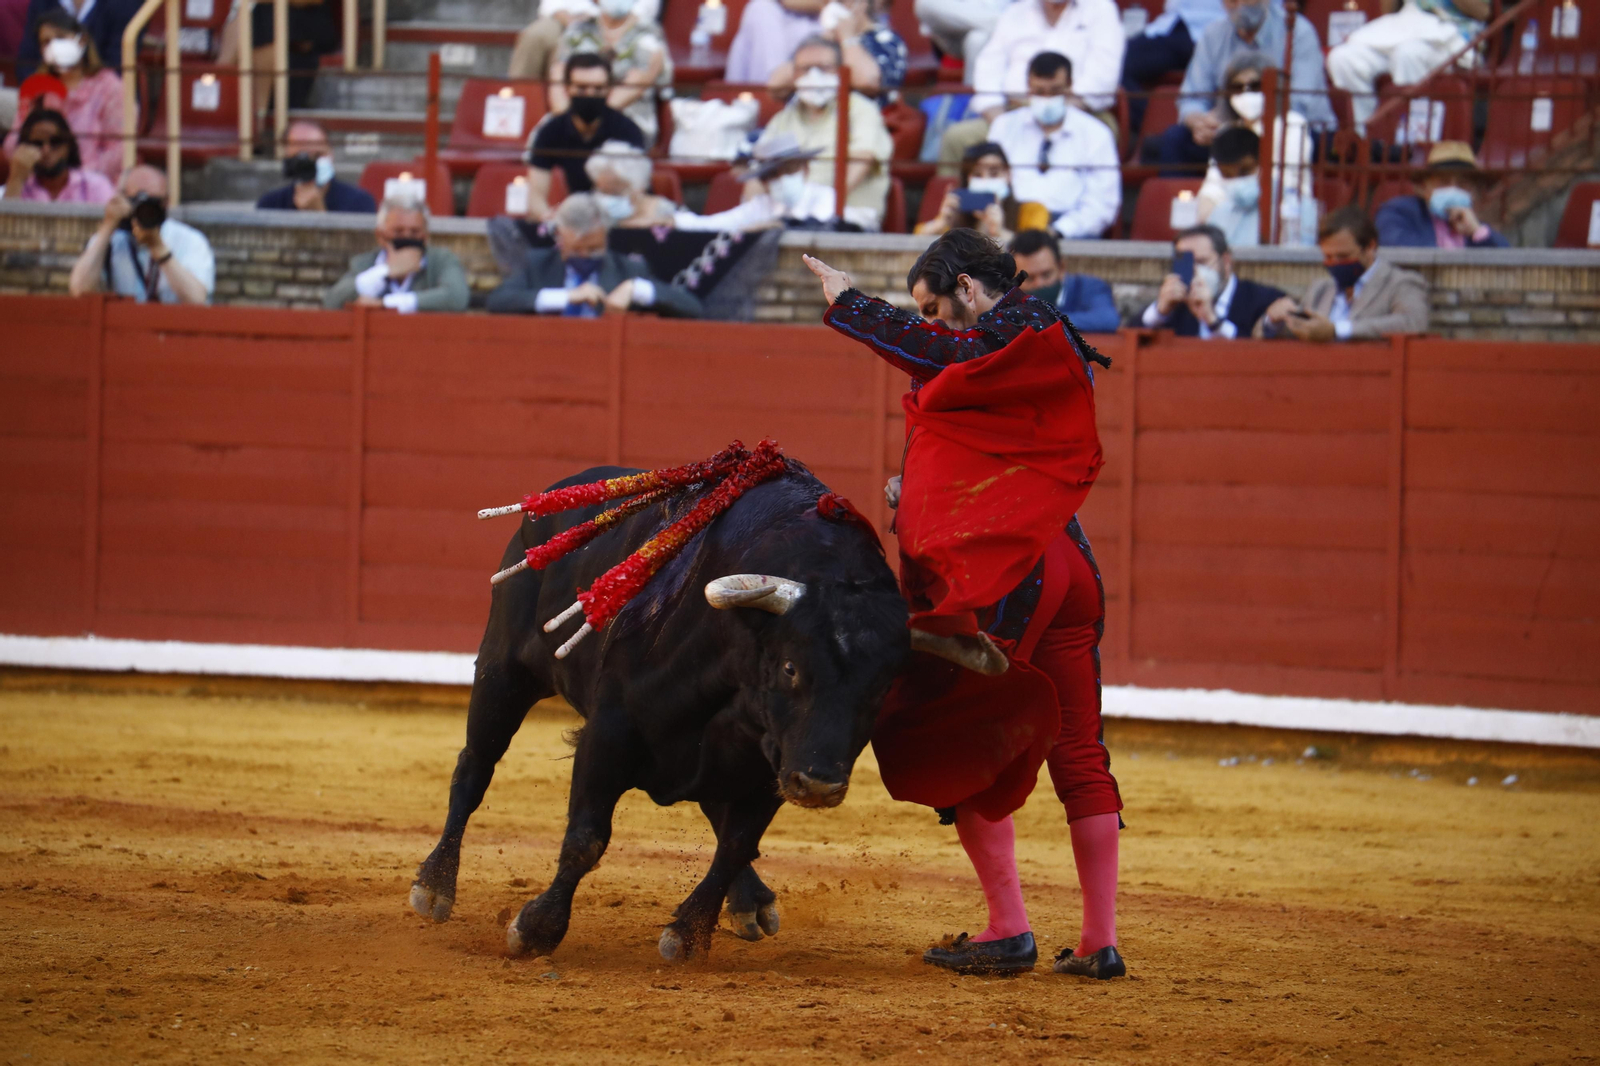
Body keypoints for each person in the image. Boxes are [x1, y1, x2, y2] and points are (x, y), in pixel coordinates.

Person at [802, 230, 1125, 980]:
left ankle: (1007, 927)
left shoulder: (1018, 326)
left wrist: (853, 305)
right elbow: (990, 454)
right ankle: (1099, 941)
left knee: (964, 730)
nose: (938, 325)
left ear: (970, 289)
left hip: (1016, 569)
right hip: (1069, 563)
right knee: (1079, 749)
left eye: (936, 308)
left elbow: (946, 358)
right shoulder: (1042, 339)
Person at [937, 0, 1124, 172]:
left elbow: (1103, 79)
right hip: (1014, 113)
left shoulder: (1101, 10)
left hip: (1079, 113)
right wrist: (1004, 124)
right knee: (956, 139)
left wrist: (1051, 119)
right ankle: (954, 208)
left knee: (1102, 134)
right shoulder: (1015, 13)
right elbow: (988, 73)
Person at [1158, 0, 1335, 174]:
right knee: (1176, 139)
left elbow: (1299, 102)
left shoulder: (1298, 31)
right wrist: (1199, 122)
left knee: (1293, 137)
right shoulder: (1213, 33)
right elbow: (1192, 97)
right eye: (1232, 1)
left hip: (1294, 130)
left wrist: (1245, 123)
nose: (1240, 5)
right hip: (1230, 132)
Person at [487, 192, 702, 318]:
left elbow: (692, 308)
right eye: (576, 249)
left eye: (593, 249)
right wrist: (564, 296)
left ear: (606, 237)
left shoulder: (627, 270)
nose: (584, 255)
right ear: (561, 238)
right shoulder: (538, 264)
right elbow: (497, 302)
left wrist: (637, 289)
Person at [758, 35, 893, 229]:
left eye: (824, 68)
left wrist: (812, 206)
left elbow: (860, 162)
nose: (814, 75)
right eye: (805, 69)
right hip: (787, 219)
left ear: (840, 71)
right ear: (794, 74)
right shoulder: (783, 118)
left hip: (847, 218)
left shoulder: (862, 110)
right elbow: (759, 173)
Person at [984, 53, 1120, 241]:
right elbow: (990, 182)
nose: (1047, 99)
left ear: (1070, 86)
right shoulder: (1004, 126)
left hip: (1070, 233)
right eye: (1039, 92)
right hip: (1010, 224)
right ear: (1028, 87)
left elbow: (1102, 204)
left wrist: (1058, 231)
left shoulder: (1096, 134)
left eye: (1055, 91)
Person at [1257, 207, 1428, 341]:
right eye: (1329, 257)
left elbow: (1412, 322)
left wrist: (1336, 330)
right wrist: (1272, 321)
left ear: (1370, 247)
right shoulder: (1321, 289)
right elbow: (1293, 331)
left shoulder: (1401, 283)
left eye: (1344, 256)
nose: (1335, 263)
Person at [1192, 51, 1312, 237]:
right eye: (1238, 87)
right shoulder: (1228, 131)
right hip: (1232, 217)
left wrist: (1233, 194)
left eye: (1255, 86)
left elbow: (1285, 183)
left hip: (1285, 217)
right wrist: (1204, 214)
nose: (1246, 94)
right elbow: (1213, 184)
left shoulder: (1293, 124)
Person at [1327, 0, 1487, 135]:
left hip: (1453, 38)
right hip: (1406, 28)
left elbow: (1483, 12)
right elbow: (1387, 11)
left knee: (1408, 55)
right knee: (1343, 58)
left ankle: (1407, 145)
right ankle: (1364, 140)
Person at [4, 10, 124, 184]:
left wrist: (75, 179)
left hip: (92, 189)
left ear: (82, 41)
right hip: (38, 186)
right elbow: (13, 143)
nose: (53, 46)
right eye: (46, 42)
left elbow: (119, 150)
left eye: (60, 38)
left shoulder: (110, 87)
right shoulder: (35, 88)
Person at [523, 53, 646, 223]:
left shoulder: (627, 131)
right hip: (573, 221)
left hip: (620, 221)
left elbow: (636, 194)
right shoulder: (550, 131)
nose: (590, 94)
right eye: (582, 88)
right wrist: (551, 219)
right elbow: (536, 197)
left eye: (598, 89)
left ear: (609, 89)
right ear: (567, 88)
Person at [68, 164, 214, 305]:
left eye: (153, 204)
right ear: (123, 199)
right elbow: (79, 291)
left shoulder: (190, 241)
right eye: (137, 202)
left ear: (166, 203)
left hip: (174, 326)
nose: (145, 211)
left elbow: (198, 301)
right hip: (123, 326)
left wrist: (159, 249)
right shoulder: (113, 240)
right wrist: (107, 227)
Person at [549, 0, 671, 147]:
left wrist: (586, 123)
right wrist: (567, 121)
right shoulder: (579, 30)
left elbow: (636, 85)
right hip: (570, 120)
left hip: (628, 122)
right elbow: (558, 76)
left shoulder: (648, 34)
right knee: (544, 140)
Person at [323, 197, 469, 313]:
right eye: (398, 231)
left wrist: (385, 304)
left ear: (425, 236)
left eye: (415, 232)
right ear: (381, 236)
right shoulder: (364, 264)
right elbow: (332, 302)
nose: (407, 237)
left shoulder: (441, 260)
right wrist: (385, 271)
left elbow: (456, 298)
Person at [1141, 223, 1285, 338]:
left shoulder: (1263, 300)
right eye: (1187, 265)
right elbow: (1130, 338)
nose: (1195, 272)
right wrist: (1160, 312)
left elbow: (1259, 355)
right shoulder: (1177, 305)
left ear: (1226, 262)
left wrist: (1213, 321)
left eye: (1202, 262)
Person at [767, 0, 907, 105]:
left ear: (862, 4)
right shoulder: (822, 40)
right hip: (808, 128)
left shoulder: (886, 40)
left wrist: (847, 38)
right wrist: (826, 39)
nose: (833, 6)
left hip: (857, 132)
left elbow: (867, 82)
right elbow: (776, 85)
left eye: (841, 1)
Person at [1375, 140, 1508, 249]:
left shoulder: (1472, 223)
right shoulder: (1399, 212)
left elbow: (1508, 259)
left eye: (1462, 184)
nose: (1453, 189)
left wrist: (1476, 231)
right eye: (1443, 182)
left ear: (1472, 192)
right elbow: (1398, 247)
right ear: (1423, 186)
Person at [1121, 0, 1227, 135]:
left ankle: (1158, 130)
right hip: (1172, 24)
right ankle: (1152, 126)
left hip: (1214, 28)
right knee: (1117, 61)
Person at [916, 142, 1050, 244]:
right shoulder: (957, 216)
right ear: (967, 179)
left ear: (1008, 174)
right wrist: (940, 222)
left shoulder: (1033, 210)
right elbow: (912, 245)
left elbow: (1036, 250)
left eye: (994, 173)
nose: (986, 181)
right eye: (977, 174)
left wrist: (1000, 232)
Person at [1010, 228, 1122, 333]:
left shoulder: (1088, 287)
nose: (1039, 283)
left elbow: (1108, 319)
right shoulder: (1007, 297)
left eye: (1046, 275)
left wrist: (1045, 320)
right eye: (1029, 278)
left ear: (1061, 268)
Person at [255, 120, 377, 213]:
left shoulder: (360, 203)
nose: (311, 164)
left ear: (331, 153)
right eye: (302, 157)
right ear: (288, 158)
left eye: (318, 155)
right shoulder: (270, 205)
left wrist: (318, 215)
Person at [1, 106, 114, 203]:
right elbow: (5, 227)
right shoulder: (19, 187)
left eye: (55, 142)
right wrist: (16, 179)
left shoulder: (95, 186)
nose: (46, 150)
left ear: (69, 145)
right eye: (37, 144)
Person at [14, 0, 143, 82]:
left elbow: (118, 65)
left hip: (101, 102)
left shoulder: (126, 4)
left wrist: (76, 88)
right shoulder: (42, 3)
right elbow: (26, 61)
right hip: (44, 99)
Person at [726, 0, 824, 86]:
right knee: (760, 9)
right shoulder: (764, 10)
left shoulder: (828, 17)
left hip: (821, 22)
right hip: (765, 97)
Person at [912, 0, 1010, 83]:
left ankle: (975, 102)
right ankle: (1001, 25)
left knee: (977, 39)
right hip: (956, 30)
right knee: (925, 3)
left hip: (995, 38)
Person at [583, 140, 675, 227]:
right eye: (602, 191)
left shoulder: (661, 210)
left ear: (639, 188)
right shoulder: (590, 211)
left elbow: (666, 238)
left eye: (615, 193)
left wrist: (653, 226)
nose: (607, 199)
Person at [1198, 125, 1262, 248]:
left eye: (1245, 172)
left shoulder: (1289, 211)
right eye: (1228, 175)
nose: (1238, 181)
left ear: (1261, 162)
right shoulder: (1217, 215)